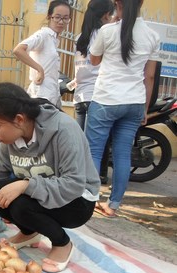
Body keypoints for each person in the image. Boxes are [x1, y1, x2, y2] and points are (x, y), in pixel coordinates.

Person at [0, 82, 100, 273]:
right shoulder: (7, 143)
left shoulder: (63, 130)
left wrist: (25, 185)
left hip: (77, 201)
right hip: (43, 197)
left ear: (18, 119)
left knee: (20, 202)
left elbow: (74, 184)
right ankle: (29, 233)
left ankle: (62, 243)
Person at [85, 0, 159, 218]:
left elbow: (94, 60)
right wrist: (145, 108)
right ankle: (113, 205)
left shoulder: (107, 31)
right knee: (122, 154)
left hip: (106, 100)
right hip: (134, 102)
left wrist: (113, 25)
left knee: (94, 152)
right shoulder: (152, 36)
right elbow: (150, 76)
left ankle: (89, 201)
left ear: (117, 3)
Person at [71, 0, 115, 184]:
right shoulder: (106, 36)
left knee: (80, 141)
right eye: (112, 14)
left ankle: (78, 175)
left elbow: (79, 69)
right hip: (98, 95)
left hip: (80, 96)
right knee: (99, 141)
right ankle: (99, 176)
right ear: (105, 15)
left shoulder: (80, 37)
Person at [13, 0, 72, 108]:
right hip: (41, 95)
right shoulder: (43, 35)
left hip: (52, 94)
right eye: (57, 17)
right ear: (49, 16)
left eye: (65, 18)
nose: (61, 22)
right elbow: (18, 50)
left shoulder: (54, 39)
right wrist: (39, 70)